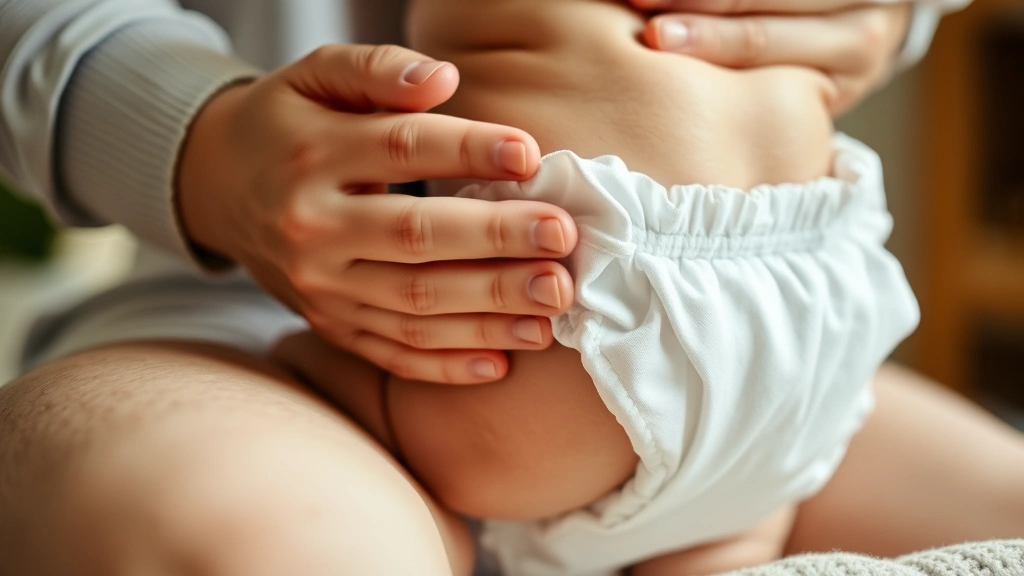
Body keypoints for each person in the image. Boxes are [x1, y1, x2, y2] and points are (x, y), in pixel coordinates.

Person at [0, 1, 984, 575]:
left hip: (531, 311)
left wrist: (884, 13)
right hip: (794, 314)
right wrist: (200, 146)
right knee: (261, 546)